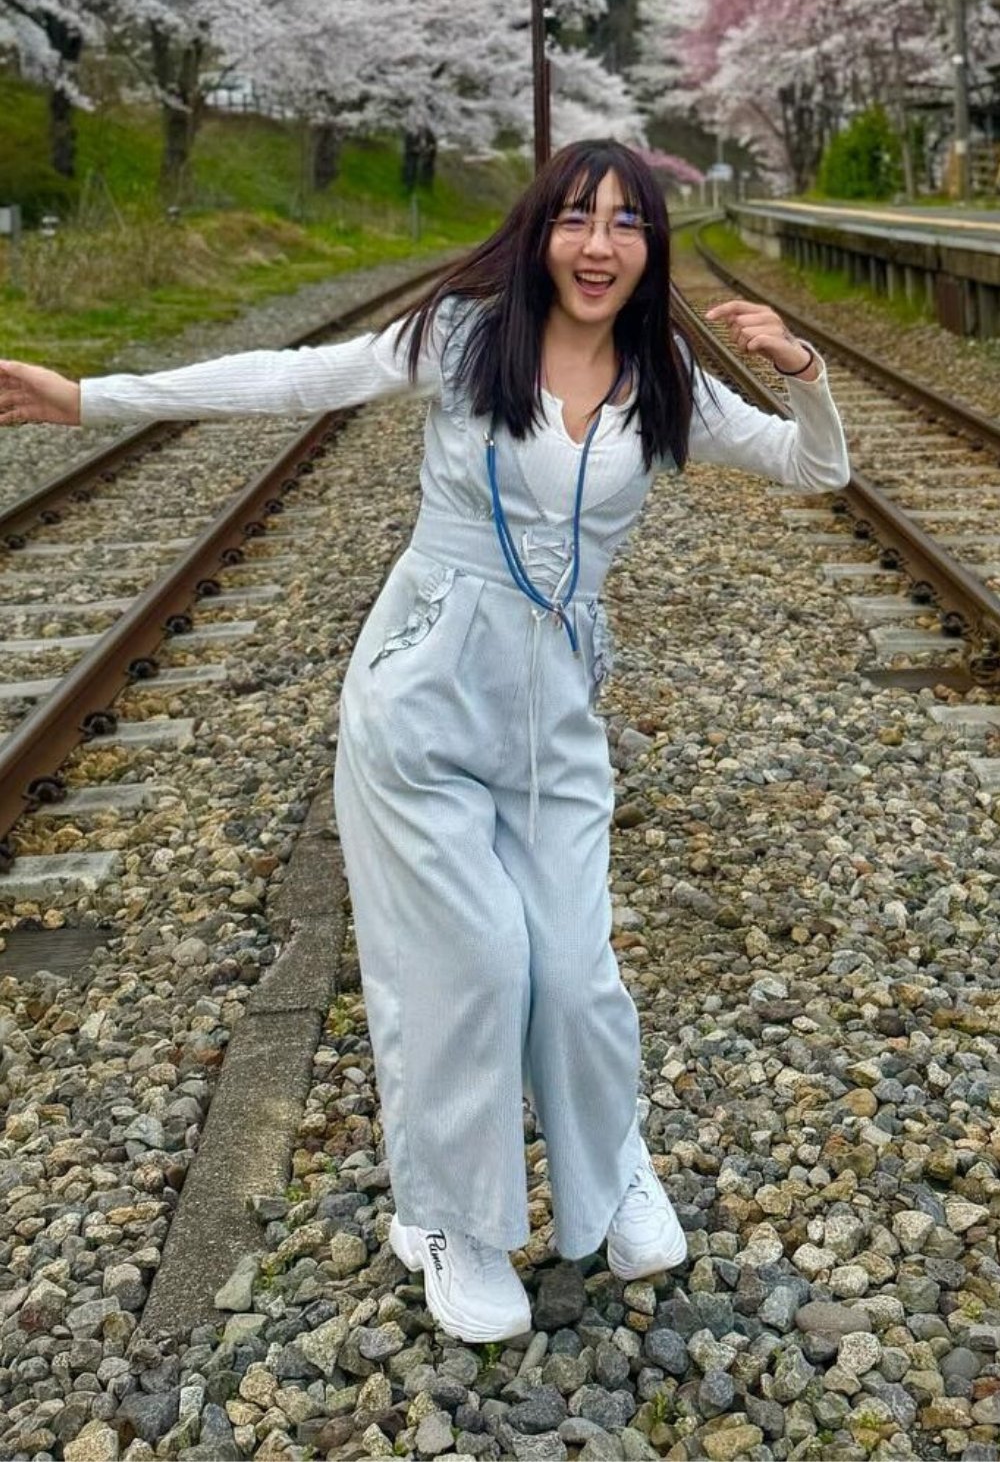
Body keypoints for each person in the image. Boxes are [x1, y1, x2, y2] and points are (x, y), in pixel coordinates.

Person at [0, 139, 849, 1345]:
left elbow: (818, 469)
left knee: (574, 968)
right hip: (424, 692)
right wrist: (93, 397)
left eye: (625, 222)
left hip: (557, 710)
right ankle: (448, 1216)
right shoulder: (462, 340)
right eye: (573, 218)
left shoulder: (661, 376)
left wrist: (800, 368)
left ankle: (609, 1172)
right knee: (475, 966)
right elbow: (295, 381)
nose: (598, 244)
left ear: (652, 245)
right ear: (537, 230)